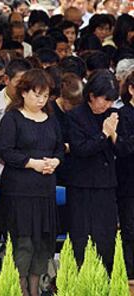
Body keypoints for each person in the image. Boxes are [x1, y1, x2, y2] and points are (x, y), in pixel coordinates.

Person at [0, 69, 64, 296]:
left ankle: (35, 289)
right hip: (19, 190)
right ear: (23, 92)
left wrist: (55, 161)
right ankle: (21, 289)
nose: (41, 100)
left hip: (45, 190)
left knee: (42, 242)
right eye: (37, 95)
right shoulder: (12, 118)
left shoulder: (52, 119)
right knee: (23, 243)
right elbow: (5, 151)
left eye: (45, 96)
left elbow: (60, 149)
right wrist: (31, 163)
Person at [66, 69, 119, 272]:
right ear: (91, 95)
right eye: (104, 99)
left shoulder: (113, 115)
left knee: (106, 236)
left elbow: (122, 149)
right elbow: (80, 149)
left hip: (106, 183)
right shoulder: (75, 116)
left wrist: (113, 135)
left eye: (111, 100)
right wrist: (103, 134)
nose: (108, 105)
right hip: (82, 184)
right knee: (82, 236)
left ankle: (105, 279)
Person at [114, 72, 134, 281]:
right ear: (131, 89)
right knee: (130, 231)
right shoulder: (124, 115)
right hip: (129, 184)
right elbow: (123, 148)